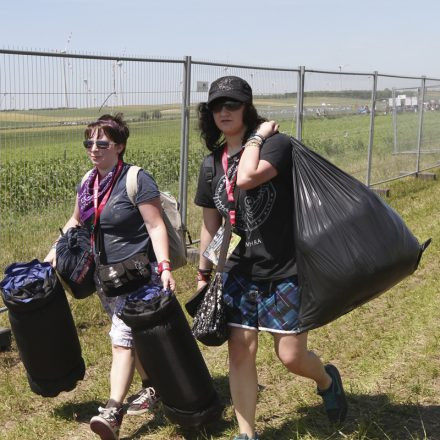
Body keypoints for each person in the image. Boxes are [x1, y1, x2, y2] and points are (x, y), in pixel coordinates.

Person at [194, 76, 348, 440]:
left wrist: (259, 136)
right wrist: (203, 271)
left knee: (292, 356)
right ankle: (246, 433)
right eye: (217, 106)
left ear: (247, 107)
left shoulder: (275, 146)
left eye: (232, 104)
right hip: (238, 270)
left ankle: (326, 379)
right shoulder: (210, 164)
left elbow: (247, 177)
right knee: (240, 352)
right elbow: (210, 224)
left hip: (284, 268)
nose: (224, 112)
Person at [44, 113, 175, 440]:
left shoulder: (136, 179)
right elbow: (75, 222)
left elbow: (155, 225)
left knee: (122, 339)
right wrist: (50, 257)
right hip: (106, 279)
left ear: (119, 146)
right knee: (135, 338)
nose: (93, 148)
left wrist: (165, 266)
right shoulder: (88, 183)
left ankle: (113, 411)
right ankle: (154, 386)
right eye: (89, 142)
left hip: (138, 275)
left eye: (101, 143)